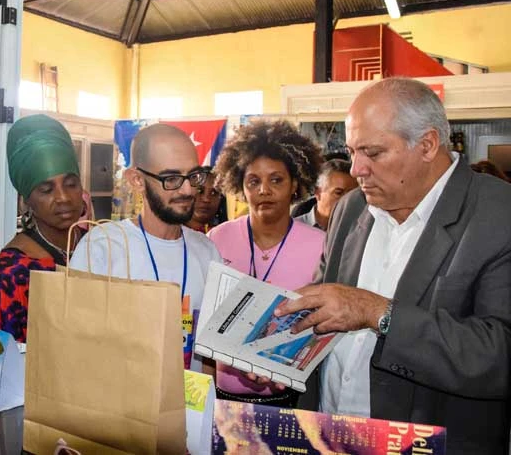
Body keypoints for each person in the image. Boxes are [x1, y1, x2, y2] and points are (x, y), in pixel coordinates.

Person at [277, 78, 511, 454]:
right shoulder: (350, 209)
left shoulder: (498, 214)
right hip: (329, 436)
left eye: (373, 152)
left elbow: (499, 354)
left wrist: (377, 312)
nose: (357, 169)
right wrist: (276, 356)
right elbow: (324, 310)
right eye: (352, 152)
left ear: (428, 145)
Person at [69, 124, 222, 371]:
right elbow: (77, 346)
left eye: (193, 176)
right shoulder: (102, 248)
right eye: (171, 179)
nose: (187, 190)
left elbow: (209, 357)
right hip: (119, 404)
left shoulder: (207, 252)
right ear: (137, 181)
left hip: (190, 405)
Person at [208, 120, 324, 405]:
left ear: (295, 184)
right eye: (253, 181)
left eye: (276, 179)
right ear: (240, 185)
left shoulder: (321, 244)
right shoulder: (217, 238)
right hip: (223, 397)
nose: (264, 190)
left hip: (291, 398)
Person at [0, 114, 85, 343]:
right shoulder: (15, 269)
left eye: (71, 184)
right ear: (25, 201)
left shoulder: (99, 247)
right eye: (46, 190)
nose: (63, 198)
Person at [295, 158, 358, 230]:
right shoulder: (291, 231)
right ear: (318, 193)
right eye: (339, 193)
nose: (346, 200)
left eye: (352, 194)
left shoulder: (360, 231)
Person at [186, 167, 225, 233]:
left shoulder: (226, 234)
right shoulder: (167, 233)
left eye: (214, 193)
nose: (206, 199)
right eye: (199, 191)